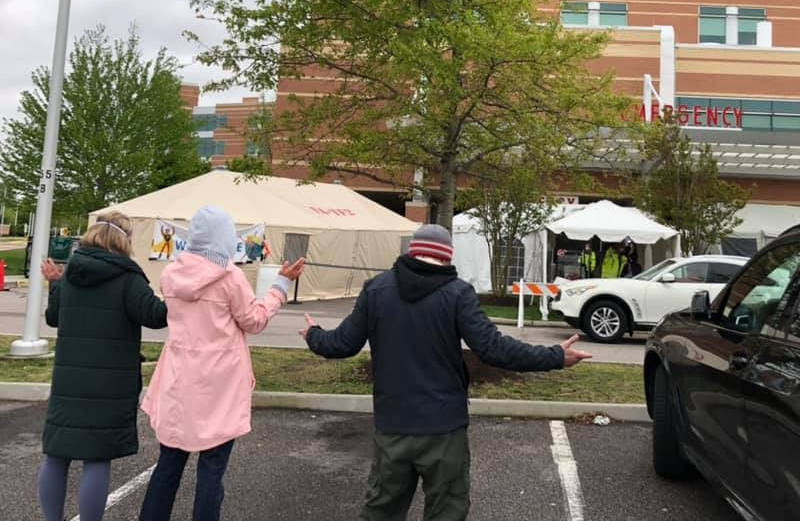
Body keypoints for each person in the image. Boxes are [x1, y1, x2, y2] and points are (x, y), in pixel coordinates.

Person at [300, 223, 591, 521]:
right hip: (444, 428)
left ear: (413, 252)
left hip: (393, 426)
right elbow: (493, 348)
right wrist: (555, 356)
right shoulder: (458, 294)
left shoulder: (376, 290)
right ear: (447, 257)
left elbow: (342, 344)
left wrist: (313, 334)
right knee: (446, 512)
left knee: (380, 512)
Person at [138, 205, 305, 521]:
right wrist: (280, 286)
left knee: (168, 466)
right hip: (219, 386)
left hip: (178, 382)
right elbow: (254, 320)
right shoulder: (231, 278)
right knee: (212, 471)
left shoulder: (171, 275)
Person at [38, 211, 168, 521]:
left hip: (68, 382)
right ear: (124, 240)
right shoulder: (128, 278)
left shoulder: (70, 274)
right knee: (97, 459)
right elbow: (155, 316)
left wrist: (55, 285)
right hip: (110, 385)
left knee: (56, 455)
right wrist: (181, 292)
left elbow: (54, 317)